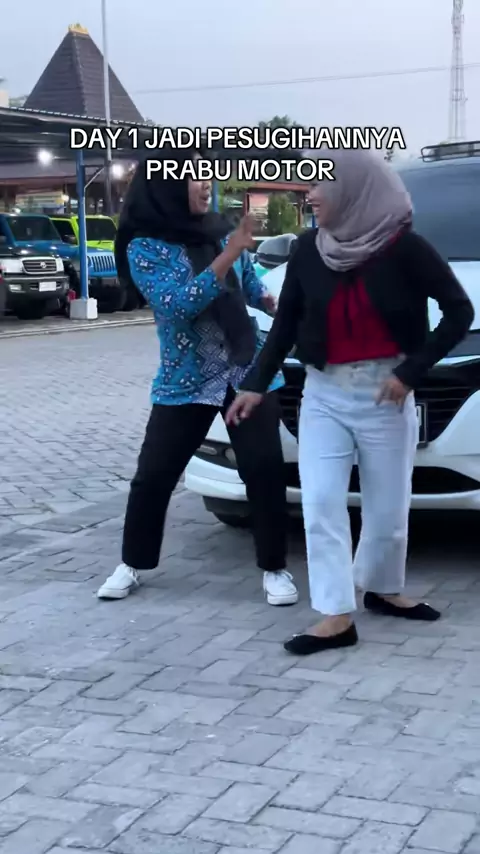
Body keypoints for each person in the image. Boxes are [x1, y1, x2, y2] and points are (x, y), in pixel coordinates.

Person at [226, 149, 474, 656]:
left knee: (387, 506)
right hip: (324, 394)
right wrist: (255, 383)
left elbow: (458, 312)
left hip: (386, 392)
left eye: (320, 184)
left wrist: (410, 372)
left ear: (354, 189)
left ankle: (383, 588)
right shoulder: (307, 249)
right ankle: (336, 615)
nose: (311, 194)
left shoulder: (405, 248)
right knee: (320, 502)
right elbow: (286, 324)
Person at [96, 150, 298, 607]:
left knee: (264, 471)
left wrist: (272, 302)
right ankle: (132, 562)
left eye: (206, 175)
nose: (206, 184)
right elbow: (177, 304)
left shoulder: (221, 231)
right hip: (186, 378)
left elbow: (250, 285)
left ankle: (274, 568)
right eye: (194, 177)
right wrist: (228, 255)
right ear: (166, 186)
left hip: (247, 371)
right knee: (153, 476)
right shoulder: (145, 247)